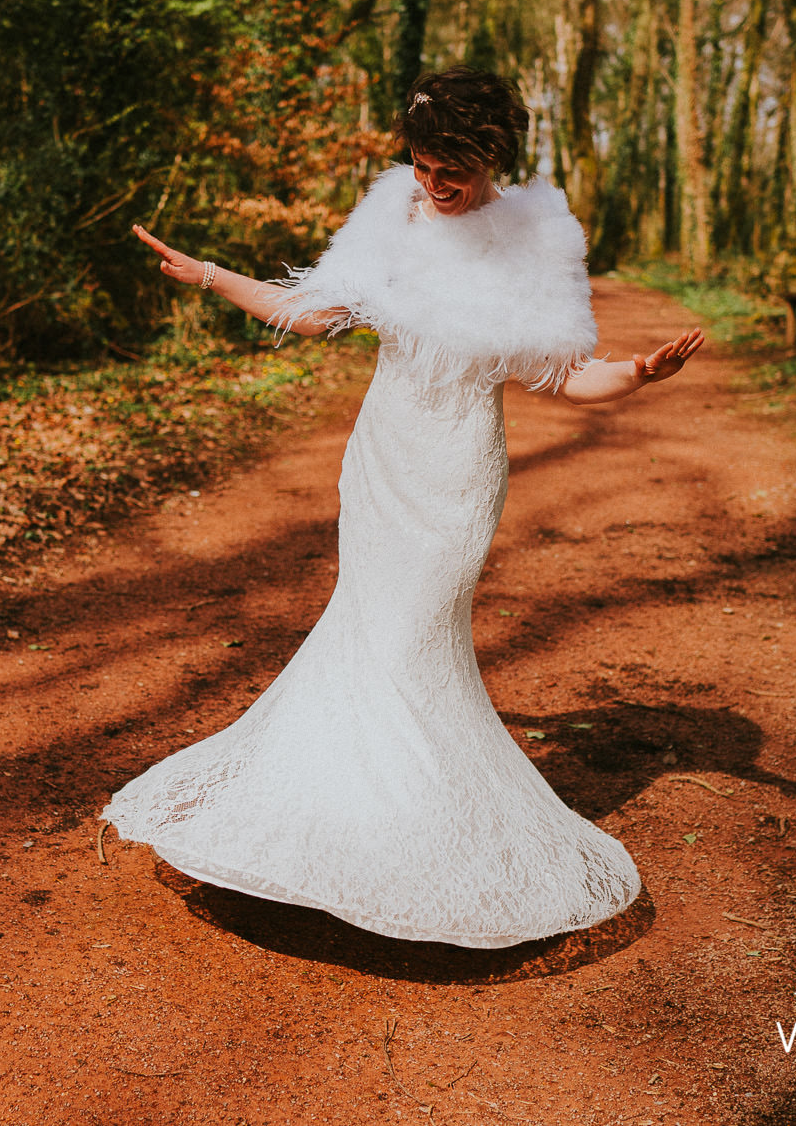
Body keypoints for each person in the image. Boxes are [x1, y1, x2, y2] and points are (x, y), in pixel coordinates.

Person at [103, 66, 703, 948]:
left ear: (491, 153)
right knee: (363, 641)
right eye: (421, 164)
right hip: (380, 465)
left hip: (457, 478)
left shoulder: (531, 238)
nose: (433, 183)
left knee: (413, 645)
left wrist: (641, 373)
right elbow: (310, 314)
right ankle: (342, 836)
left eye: (450, 167)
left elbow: (568, 373)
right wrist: (211, 275)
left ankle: (421, 849)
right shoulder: (391, 213)